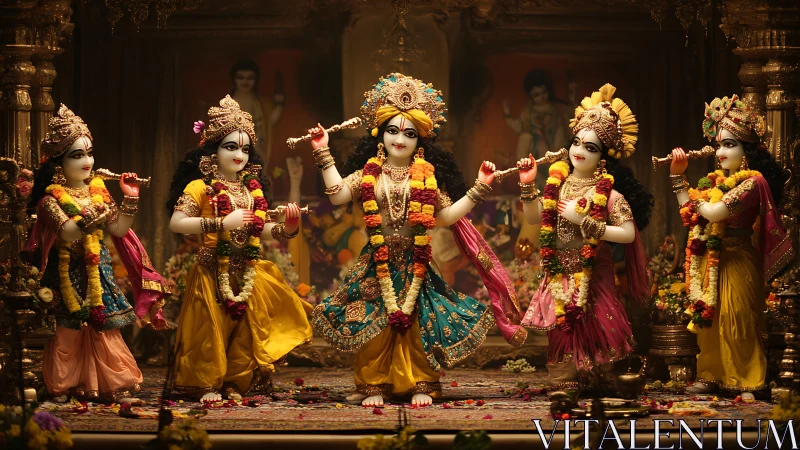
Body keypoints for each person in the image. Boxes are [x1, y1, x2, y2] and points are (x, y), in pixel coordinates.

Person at [309, 73, 527, 407]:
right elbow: (338, 195)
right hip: (377, 261)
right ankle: (374, 384)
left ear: (419, 141)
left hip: (417, 260)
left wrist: (479, 186)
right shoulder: (370, 172)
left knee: (418, 322)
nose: (400, 138)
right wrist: (323, 152)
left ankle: (420, 382)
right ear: (380, 135)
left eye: (409, 133)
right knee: (376, 320)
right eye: (393, 130)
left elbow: (447, 217)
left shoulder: (425, 177)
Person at [167, 95, 312, 402]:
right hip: (211, 271)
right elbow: (177, 223)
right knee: (210, 332)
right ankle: (206, 385)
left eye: (245, 148)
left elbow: (260, 230)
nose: (239, 154)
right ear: (212, 152)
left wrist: (288, 228)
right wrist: (222, 224)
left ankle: (236, 382)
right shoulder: (200, 187)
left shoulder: (251, 189)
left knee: (248, 331)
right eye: (230, 147)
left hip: (248, 271)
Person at [27, 104, 168, 403]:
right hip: (65, 271)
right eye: (77, 155)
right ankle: (66, 385)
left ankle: (114, 385)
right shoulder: (48, 201)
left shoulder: (99, 191)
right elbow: (68, 231)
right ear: (57, 162)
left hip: (98, 270)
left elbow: (117, 229)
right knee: (68, 330)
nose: (88, 161)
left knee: (104, 327)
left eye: (89, 153)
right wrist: (93, 212)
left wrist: (130, 198)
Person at [517, 84, 653, 390]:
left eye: (590, 148)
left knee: (597, 323)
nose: (579, 151)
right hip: (559, 270)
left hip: (594, 272)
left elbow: (629, 234)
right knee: (563, 329)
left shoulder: (609, 194)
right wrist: (527, 186)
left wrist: (589, 224)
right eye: (576, 142)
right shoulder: (557, 186)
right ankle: (565, 383)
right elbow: (533, 217)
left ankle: (599, 380)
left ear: (604, 157)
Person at [668, 95, 793, 397]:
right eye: (719, 144)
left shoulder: (753, 182)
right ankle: (710, 374)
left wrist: (691, 194)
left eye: (729, 144)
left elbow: (714, 212)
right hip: (713, 258)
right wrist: (676, 176)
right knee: (708, 318)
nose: (720, 152)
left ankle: (747, 379)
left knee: (737, 320)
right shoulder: (715, 182)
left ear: (747, 150)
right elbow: (689, 215)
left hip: (738, 258)